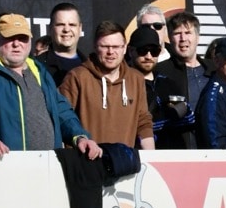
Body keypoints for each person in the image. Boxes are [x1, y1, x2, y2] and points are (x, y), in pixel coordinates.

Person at [0, 13, 101, 161]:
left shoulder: (39, 70)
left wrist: (79, 136)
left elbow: (61, 110)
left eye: (22, 38)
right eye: (9, 38)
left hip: (49, 166)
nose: (17, 44)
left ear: (29, 41)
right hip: (4, 165)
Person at [58, 21, 155, 150]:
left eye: (116, 47)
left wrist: (151, 156)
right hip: (86, 162)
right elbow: (62, 118)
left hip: (124, 163)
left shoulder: (136, 79)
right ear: (95, 47)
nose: (110, 52)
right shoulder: (77, 77)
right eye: (105, 46)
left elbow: (143, 122)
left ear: (124, 48)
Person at [154, 12, 208, 149]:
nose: (183, 38)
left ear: (197, 37)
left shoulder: (215, 70)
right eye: (177, 33)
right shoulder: (159, 72)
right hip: (177, 152)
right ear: (170, 39)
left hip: (214, 151)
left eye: (188, 32)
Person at [125, 26, 179, 147]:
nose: (149, 56)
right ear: (130, 51)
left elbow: (188, 120)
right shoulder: (121, 84)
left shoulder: (168, 84)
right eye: (143, 50)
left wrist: (180, 111)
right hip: (135, 156)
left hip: (172, 157)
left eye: (154, 51)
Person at [36, 2, 86, 85]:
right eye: (60, 24)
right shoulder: (37, 66)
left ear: (80, 28)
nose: (66, 29)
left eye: (72, 25)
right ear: (51, 28)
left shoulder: (91, 68)